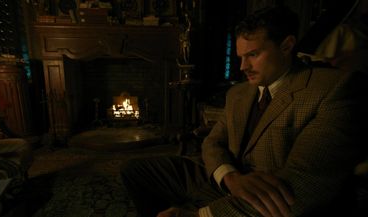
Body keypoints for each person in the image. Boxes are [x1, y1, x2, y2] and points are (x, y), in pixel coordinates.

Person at [120, 5, 367, 217]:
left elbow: (300, 188)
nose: (243, 66)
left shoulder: (332, 90)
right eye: (240, 56)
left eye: (253, 55)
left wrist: (199, 214)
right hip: (229, 180)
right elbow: (213, 143)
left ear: (286, 46)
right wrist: (230, 178)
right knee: (135, 170)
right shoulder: (239, 93)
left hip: (267, 193)